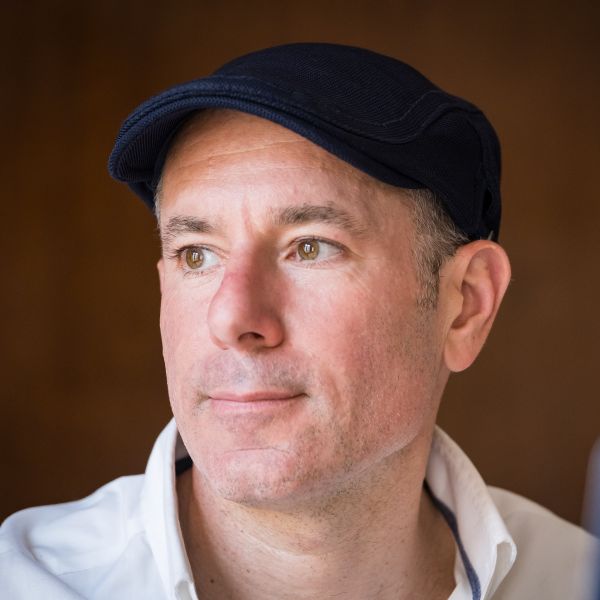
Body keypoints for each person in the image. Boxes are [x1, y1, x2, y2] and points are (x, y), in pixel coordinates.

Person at [0, 43, 597, 600]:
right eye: (197, 255)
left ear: (465, 304)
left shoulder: (573, 581)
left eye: (310, 247)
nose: (232, 317)